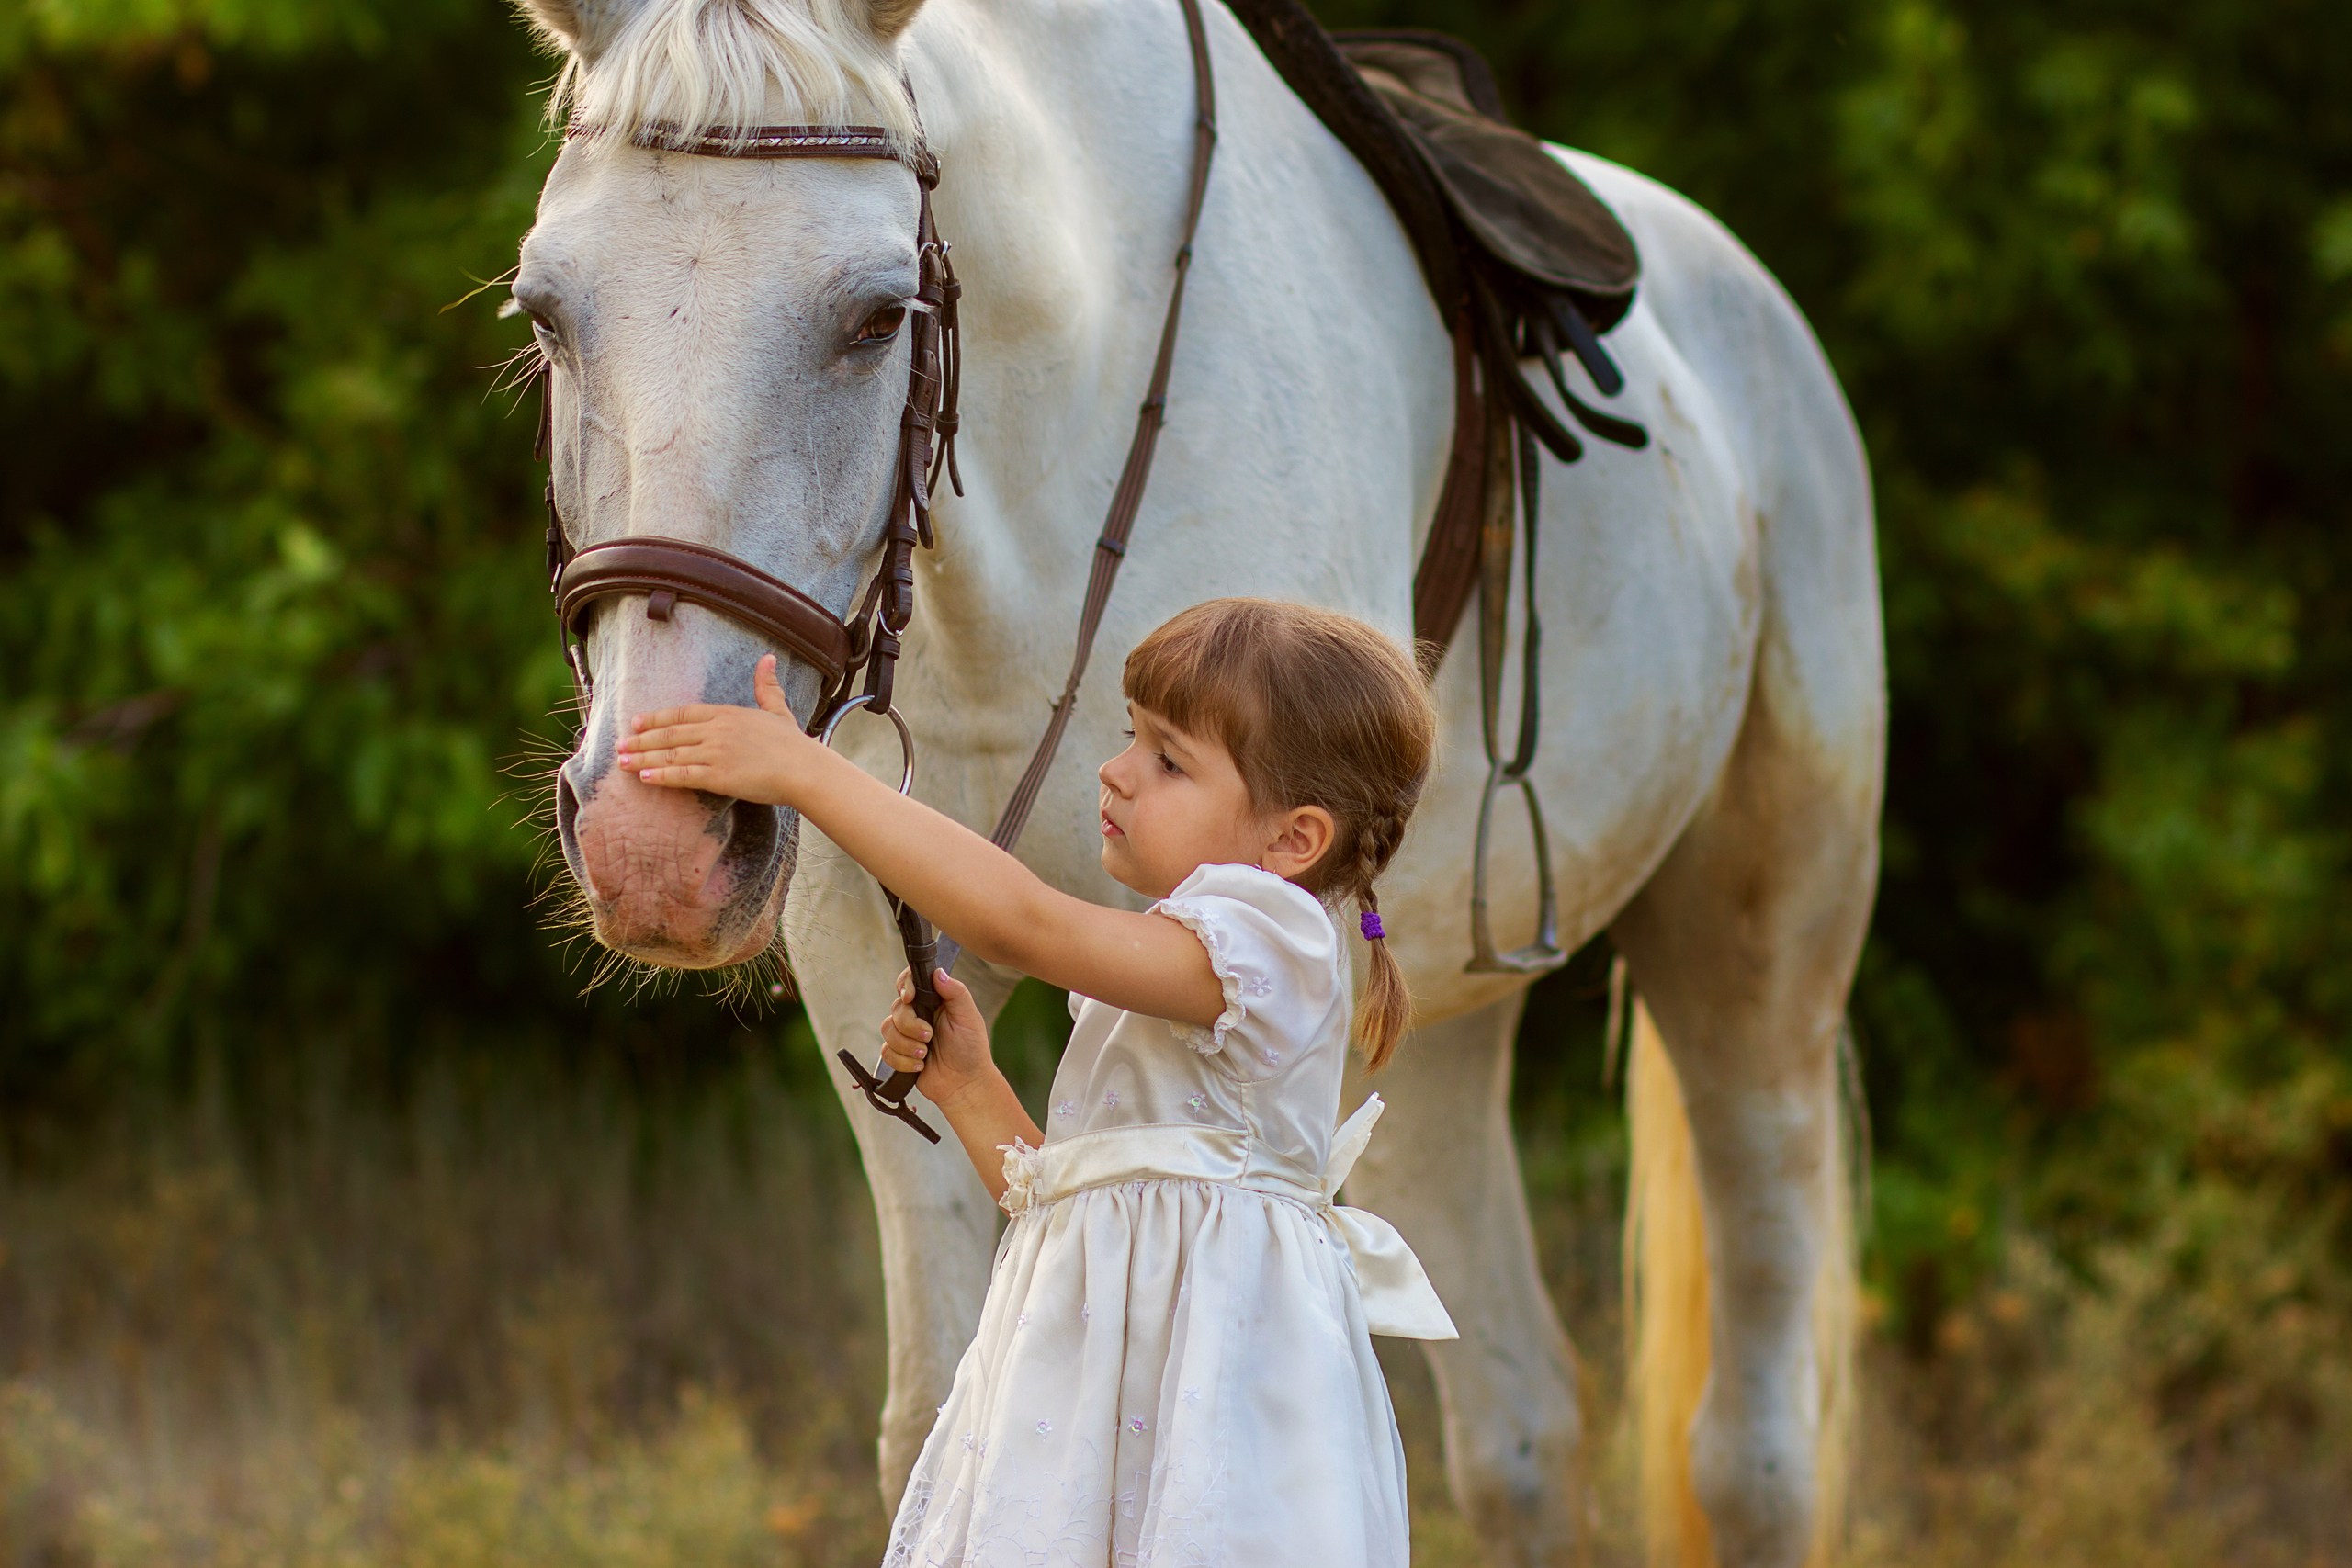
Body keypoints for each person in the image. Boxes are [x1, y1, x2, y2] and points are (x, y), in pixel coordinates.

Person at [618, 596, 1457, 1567]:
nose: (1116, 771)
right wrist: (970, 1087)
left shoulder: (1273, 939)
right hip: (1093, 1403)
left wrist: (811, 775)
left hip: (1214, 1409)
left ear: (1292, 840)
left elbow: (1024, 926)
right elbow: (1071, 1204)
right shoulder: (1181, 960)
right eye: (1130, 737)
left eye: (1168, 760)